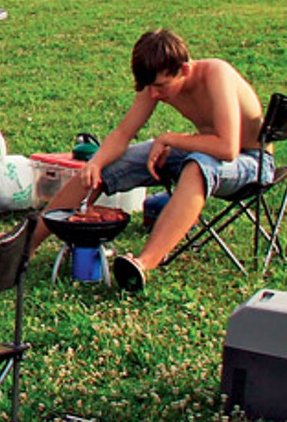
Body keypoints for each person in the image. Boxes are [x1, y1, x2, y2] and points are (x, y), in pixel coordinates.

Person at [32, 28, 268, 292]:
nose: (154, 95)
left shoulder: (216, 75)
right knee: (106, 164)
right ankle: (24, 247)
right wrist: (96, 163)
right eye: (149, 88)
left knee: (197, 167)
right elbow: (123, 133)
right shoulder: (155, 82)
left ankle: (142, 264)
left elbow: (228, 148)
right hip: (203, 150)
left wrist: (170, 139)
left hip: (252, 161)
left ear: (185, 71)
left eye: (161, 87)